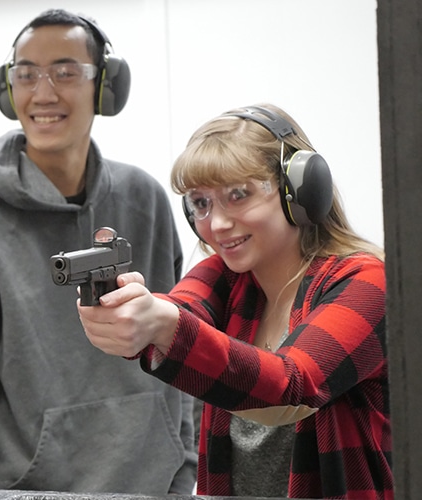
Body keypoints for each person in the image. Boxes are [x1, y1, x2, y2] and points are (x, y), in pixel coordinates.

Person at [0, 8, 197, 495]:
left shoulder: (146, 200)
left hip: (155, 487)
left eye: (66, 72)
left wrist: (184, 469)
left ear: (105, 87)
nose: (43, 93)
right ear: (8, 90)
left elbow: (181, 343)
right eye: (26, 74)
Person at [78, 104, 392, 499]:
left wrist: (163, 324)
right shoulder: (226, 277)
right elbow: (181, 311)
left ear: (299, 189)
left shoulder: (367, 281)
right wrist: (131, 313)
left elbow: (292, 388)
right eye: (201, 203)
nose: (217, 224)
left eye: (238, 195)